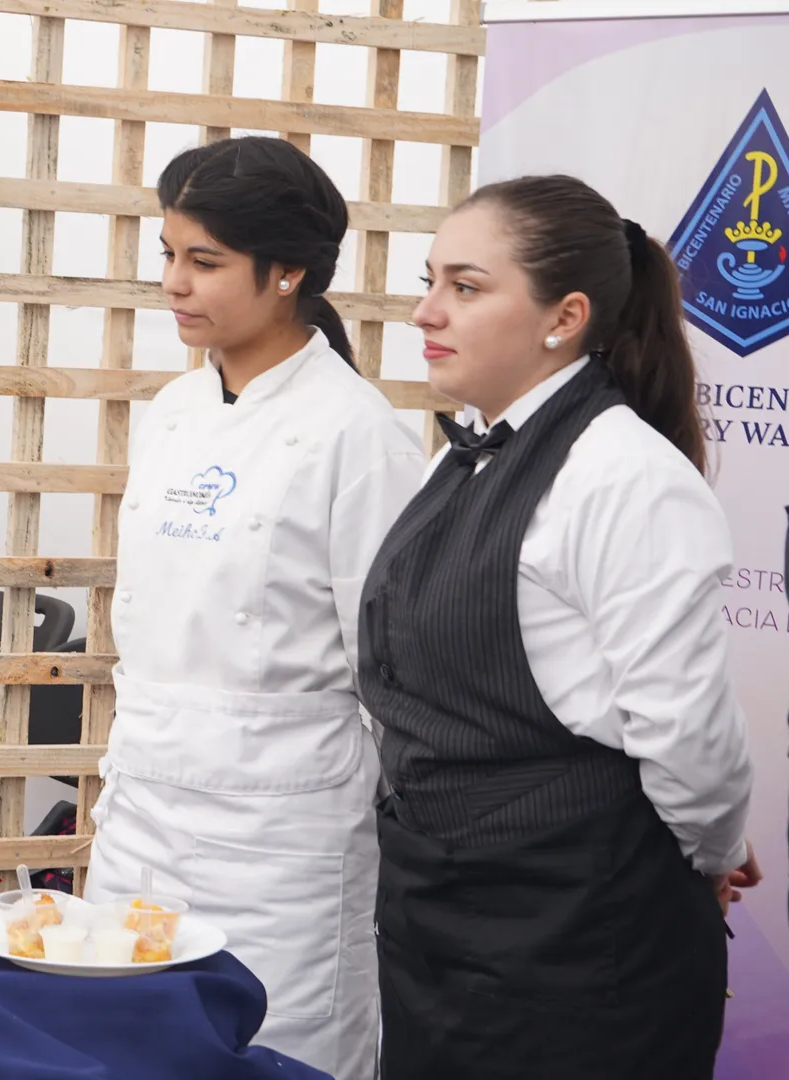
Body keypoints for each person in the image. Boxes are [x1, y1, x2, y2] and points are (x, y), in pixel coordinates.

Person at [362, 174, 758, 1079]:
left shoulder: (629, 479)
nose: (426, 312)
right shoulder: (461, 456)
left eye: (464, 287)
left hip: (584, 936)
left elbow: (686, 733)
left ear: (564, 316)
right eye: (431, 281)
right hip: (439, 919)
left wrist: (714, 849)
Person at [83, 136, 426, 1080]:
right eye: (168, 256)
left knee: (279, 1054)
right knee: (126, 1038)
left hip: (285, 836)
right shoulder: (174, 412)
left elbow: (395, 669)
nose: (174, 285)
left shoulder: (359, 436)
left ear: (289, 274)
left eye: (205, 262)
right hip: (147, 802)